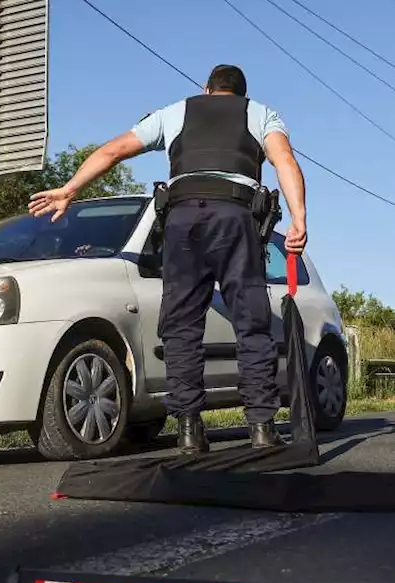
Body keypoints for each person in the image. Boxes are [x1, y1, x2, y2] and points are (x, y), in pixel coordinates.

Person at [27, 65, 308, 454]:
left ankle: (190, 432)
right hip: (234, 216)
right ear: (242, 95)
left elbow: (113, 150)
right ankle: (261, 427)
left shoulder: (176, 112)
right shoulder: (260, 114)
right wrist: (299, 218)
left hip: (183, 219)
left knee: (181, 326)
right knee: (251, 322)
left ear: (207, 90)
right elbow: (285, 162)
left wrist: (69, 189)